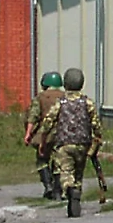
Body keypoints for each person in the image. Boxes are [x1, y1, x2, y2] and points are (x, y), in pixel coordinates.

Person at [38, 68, 102, 217]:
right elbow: (96, 124)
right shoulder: (88, 102)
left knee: (66, 173)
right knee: (79, 173)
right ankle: (76, 198)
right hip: (83, 143)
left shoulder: (61, 103)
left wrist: (43, 139)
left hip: (64, 143)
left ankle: (70, 189)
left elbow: (48, 122)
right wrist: (97, 139)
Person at [24, 71, 65, 199]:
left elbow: (33, 117)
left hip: (45, 134)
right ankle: (58, 190)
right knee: (59, 162)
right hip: (63, 134)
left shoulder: (41, 97)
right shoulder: (65, 97)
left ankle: (48, 186)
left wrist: (28, 134)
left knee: (42, 159)